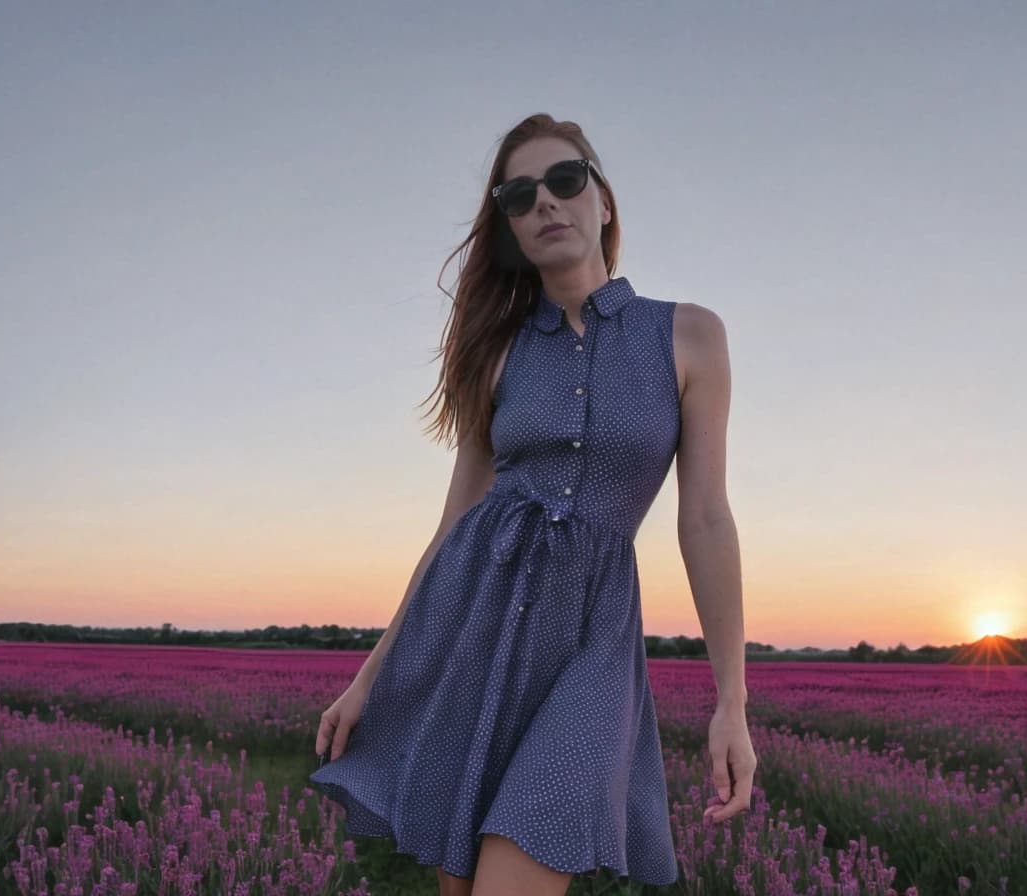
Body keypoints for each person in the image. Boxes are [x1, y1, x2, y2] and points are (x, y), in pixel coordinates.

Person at [308, 112, 755, 896]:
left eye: (565, 180)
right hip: (475, 627)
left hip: (594, 644)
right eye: (519, 195)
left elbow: (706, 519)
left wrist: (732, 702)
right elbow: (451, 529)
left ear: (604, 201)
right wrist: (370, 676)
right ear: (510, 228)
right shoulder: (500, 353)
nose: (545, 202)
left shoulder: (689, 337)